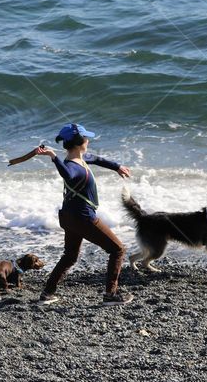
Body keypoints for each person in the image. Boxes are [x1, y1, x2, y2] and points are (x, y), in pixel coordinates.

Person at [34, 123, 134, 306]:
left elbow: (96, 158)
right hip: (83, 217)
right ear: (79, 141)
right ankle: (111, 295)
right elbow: (68, 176)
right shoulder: (73, 166)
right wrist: (53, 157)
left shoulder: (81, 159)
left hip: (68, 217)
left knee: (70, 256)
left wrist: (117, 166)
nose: (88, 140)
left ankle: (47, 293)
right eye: (85, 137)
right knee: (118, 250)